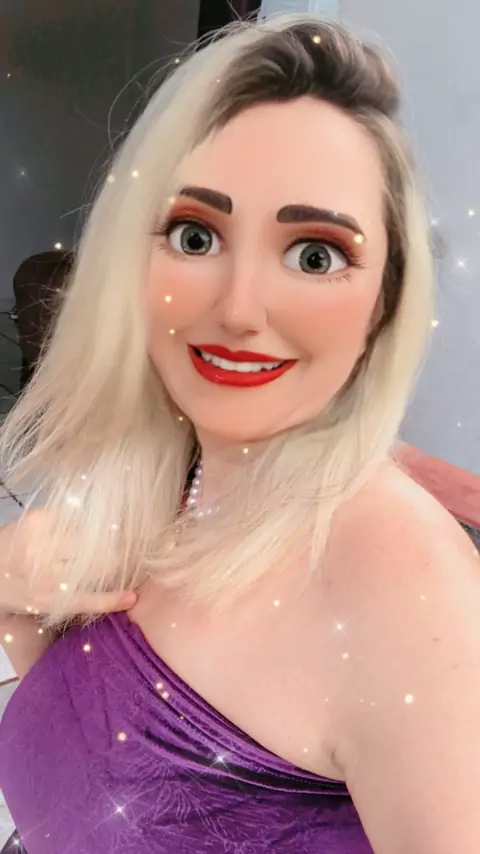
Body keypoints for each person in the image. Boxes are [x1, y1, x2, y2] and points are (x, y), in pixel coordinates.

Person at [0, 13, 479, 854]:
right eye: (196, 236)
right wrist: (20, 606)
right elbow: (87, 768)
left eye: (315, 254)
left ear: (384, 301)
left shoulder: (402, 584)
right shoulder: (168, 480)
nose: (240, 310)